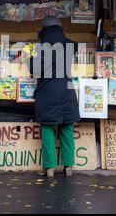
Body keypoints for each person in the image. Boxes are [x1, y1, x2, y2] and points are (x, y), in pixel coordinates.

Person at [26, 16, 80, 177]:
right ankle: (68, 165)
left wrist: (28, 56)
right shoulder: (70, 45)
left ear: (43, 30)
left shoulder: (39, 48)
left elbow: (34, 70)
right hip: (67, 90)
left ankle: (49, 167)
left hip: (47, 91)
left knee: (47, 128)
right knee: (67, 127)